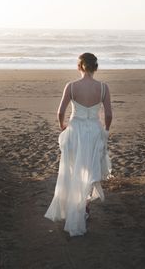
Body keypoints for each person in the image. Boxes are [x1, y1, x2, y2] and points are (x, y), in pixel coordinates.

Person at [44, 52, 112, 236]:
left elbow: (60, 112)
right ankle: (84, 206)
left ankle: (76, 206)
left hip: (75, 131)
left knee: (73, 169)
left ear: (79, 66)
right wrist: (105, 130)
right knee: (89, 168)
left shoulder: (72, 87)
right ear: (95, 67)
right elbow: (108, 115)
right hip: (93, 131)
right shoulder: (103, 88)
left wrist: (62, 126)